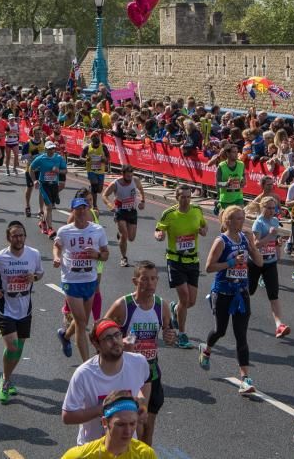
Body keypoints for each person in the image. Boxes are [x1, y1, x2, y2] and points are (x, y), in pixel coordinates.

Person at [105, 261, 176, 446]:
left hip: (151, 371)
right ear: (135, 281)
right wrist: (120, 344)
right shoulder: (123, 305)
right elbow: (100, 331)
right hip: (126, 370)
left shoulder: (162, 306)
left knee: (148, 427)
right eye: (145, 279)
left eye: (154, 279)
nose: (150, 283)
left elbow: (170, 335)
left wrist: (170, 336)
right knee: (133, 426)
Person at [199, 205, 263, 395]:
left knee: (241, 335)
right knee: (220, 330)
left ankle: (245, 378)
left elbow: (259, 262)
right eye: (236, 218)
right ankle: (206, 348)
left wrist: (251, 246)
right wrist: (231, 263)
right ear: (227, 221)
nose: (240, 222)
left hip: (241, 293)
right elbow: (209, 267)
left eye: (242, 218)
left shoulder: (245, 238)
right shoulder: (221, 241)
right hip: (223, 292)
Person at [0, 221, 44, 404]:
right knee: (13, 346)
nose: (19, 238)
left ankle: (6, 376)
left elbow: (40, 273)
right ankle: (6, 382)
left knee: (19, 348)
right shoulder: (0, 257)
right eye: (15, 235)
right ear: (9, 238)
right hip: (5, 306)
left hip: (25, 307)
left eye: (21, 235)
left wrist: (35, 277)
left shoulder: (34, 254)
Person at [62, 319, 151, 446]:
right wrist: (101, 410)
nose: (115, 341)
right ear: (96, 344)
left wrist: (142, 404)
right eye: (108, 338)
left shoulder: (138, 362)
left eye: (117, 335)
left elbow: (146, 381)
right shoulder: (84, 374)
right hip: (92, 448)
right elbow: (67, 416)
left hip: (126, 447)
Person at [54, 196, 110, 362]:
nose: (82, 211)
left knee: (83, 321)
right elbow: (56, 246)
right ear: (73, 210)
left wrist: (98, 255)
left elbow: (106, 254)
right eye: (78, 208)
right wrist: (56, 258)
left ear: (88, 210)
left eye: (84, 208)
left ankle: (65, 335)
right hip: (71, 280)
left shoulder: (98, 230)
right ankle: (86, 364)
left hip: (90, 279)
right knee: (81, 322)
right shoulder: (65, 231)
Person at [154, 184, 208, 349]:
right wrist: (160, 235)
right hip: (175, 260)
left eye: (188, 196)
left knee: (190, 301)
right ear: (177, 198)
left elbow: (204, 226)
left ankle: (175, 309)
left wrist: (203, 230)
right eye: (182, 197)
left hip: (192, 261)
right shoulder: (169, 214)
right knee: (185, 298)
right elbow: (158, 230)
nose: (185, 200)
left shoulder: (197, 210)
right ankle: (182, 335)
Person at [60, 390, 157, 459]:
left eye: (132, 424)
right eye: (120, 424)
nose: (128, 431)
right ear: (105, 422)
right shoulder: (79, 456)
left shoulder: (145, 455)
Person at [249, 197, 290, 338]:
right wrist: (271, 235)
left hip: (270, 262)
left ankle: (279, 325)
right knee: (249, 291)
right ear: (263, 208)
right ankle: (218, 300)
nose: (272, 211)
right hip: (256, 263)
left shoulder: (274, 221)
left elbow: (274, 241)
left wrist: (278, 245)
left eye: (274, 208)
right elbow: (256, 245)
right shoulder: (258, 223)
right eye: (269, 208)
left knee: (274, 294)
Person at [103, 165, 146, 268]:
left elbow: (141, 190)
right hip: (120, 211)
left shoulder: (135, 180)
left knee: (131, 238)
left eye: (131, 176)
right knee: (124, 236)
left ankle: (120, 234)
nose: (129, 179)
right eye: (127, 177)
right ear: (122, 175)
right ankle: (124, 258)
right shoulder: (115, 184)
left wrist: (143, 201)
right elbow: (104, 195)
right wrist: (110, 205)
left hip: (132, 211)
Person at [29, 140, 67, 238]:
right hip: (44, 185)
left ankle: (42, 222)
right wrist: (34, 181)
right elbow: (31, 168)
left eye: (53, 148)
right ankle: (50, 228)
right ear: (46, 149)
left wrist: (58, 170)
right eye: (50, 149)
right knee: (49, 206)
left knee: (50, 206)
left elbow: (65, 171)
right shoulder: (41, 158)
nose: (52, 150)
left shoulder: (59, 158)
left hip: (54, 185)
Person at [82, 131, 110, 209]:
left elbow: (108, 158)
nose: (96, 145)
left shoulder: (103, 146)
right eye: (93, 138)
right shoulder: (87, 147)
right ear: (91, 140)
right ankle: (94, 205)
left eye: (96, 136)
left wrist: (104, 160)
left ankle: (90, 190)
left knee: (99, 190)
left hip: (100, 171)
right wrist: (86, 158)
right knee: (94, 185)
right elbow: (81, 157)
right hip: (91, 170)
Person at [215, 143, 245, 216]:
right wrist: (226, 184)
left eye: (237, 152)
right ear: (227, 154)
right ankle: (218, 205)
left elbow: (243, 177)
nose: (236, 154)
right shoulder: (221, 166)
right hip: (225, 199)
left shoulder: (241, 164)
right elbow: (217, 184)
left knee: (239, 219)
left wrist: (243, 182)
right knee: (226, 224)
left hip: (238, 198)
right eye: (233, 152)